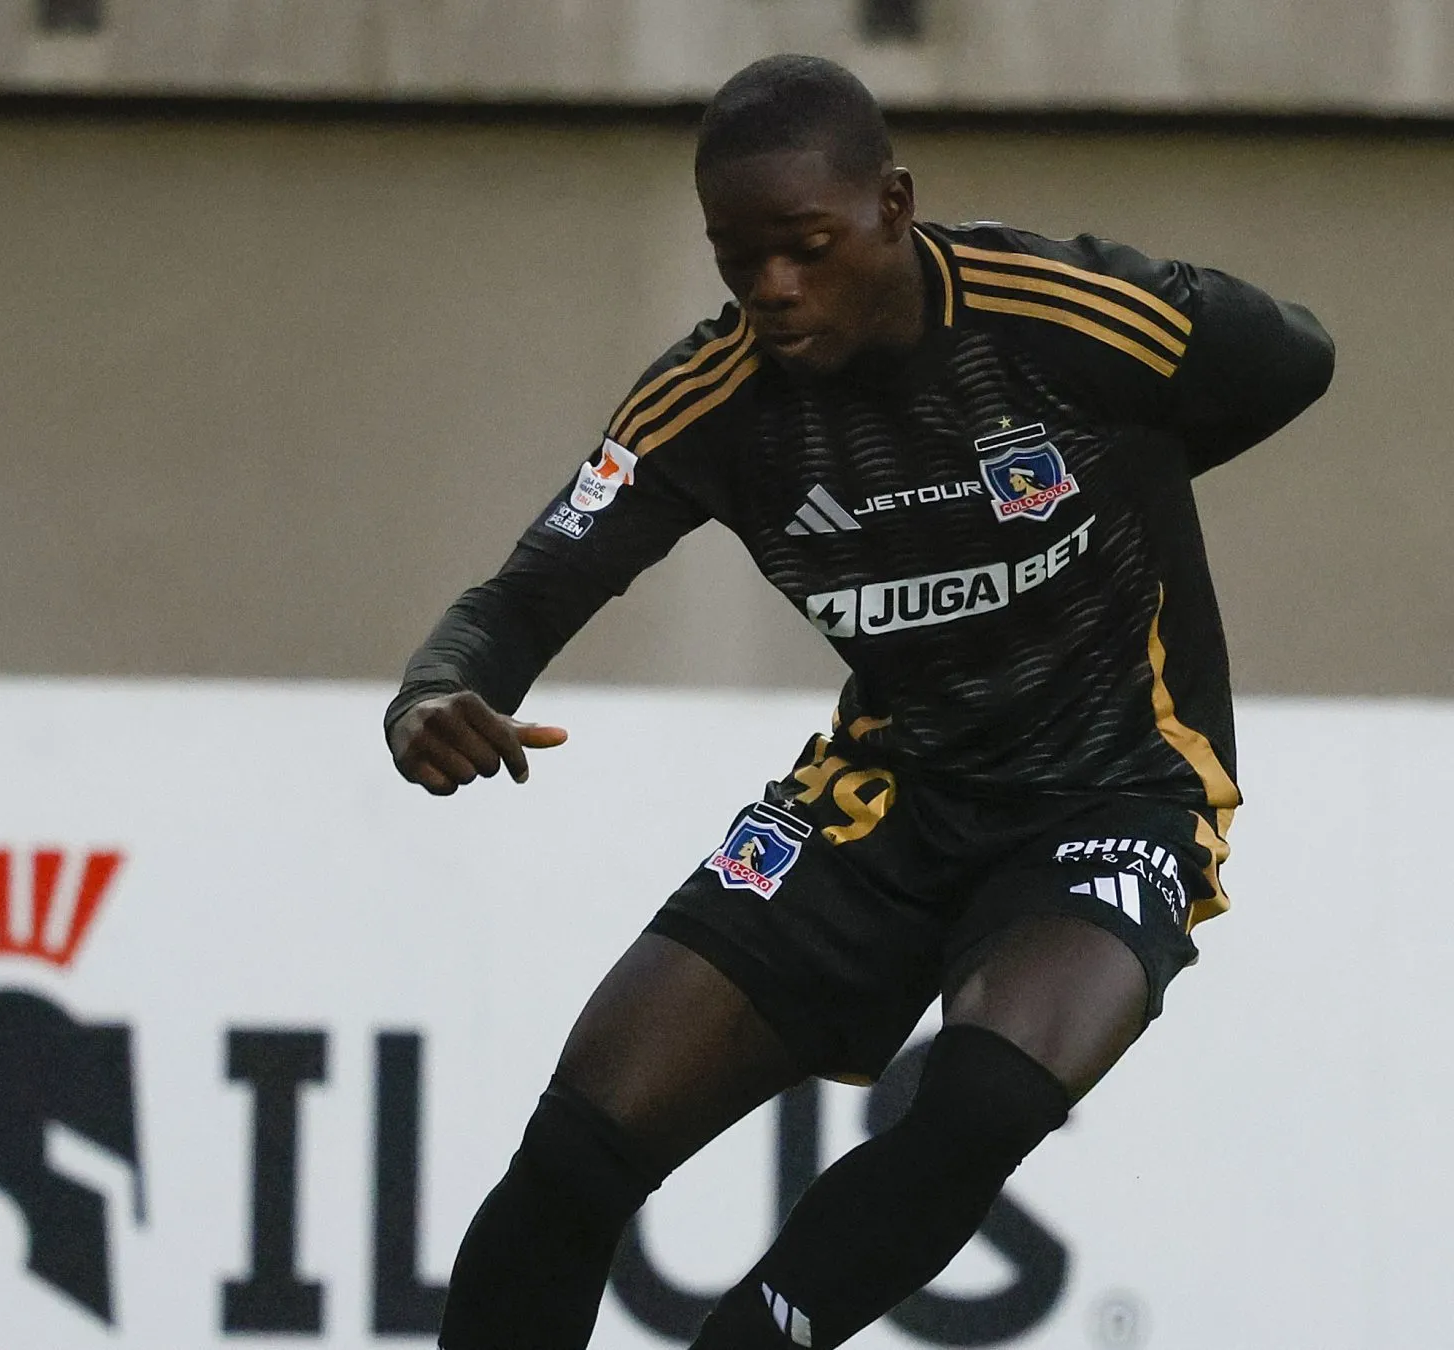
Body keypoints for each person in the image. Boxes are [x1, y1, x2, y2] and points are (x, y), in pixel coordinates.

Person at [386, 55, 1332, 1350]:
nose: (773, 290)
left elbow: (1294, 357)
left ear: (894, 205)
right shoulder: (712, 402)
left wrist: (1131, 462)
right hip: (883, 795)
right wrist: (439, 690)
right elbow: (525, 593)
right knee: (580, 1145)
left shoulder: (1063, 319)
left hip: (1114, 791)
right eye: (737, 259)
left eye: (808, 248)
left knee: (987, 1098)